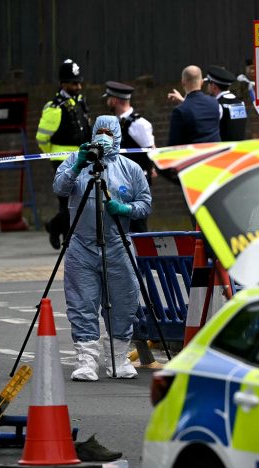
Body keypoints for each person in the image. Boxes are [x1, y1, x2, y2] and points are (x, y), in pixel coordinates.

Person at [53, 115, 151, 383]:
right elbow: (60, 188)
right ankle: (86, 359)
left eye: (109, 132)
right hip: (81, 246)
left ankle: (118, 358)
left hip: (118, 244)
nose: (104, 137)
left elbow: (145, 202)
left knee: (123, 301)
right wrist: (78, 167)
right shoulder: (76, 160)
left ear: (117, 135)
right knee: (82, 302)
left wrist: (125, 209)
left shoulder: (129, 168)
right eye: (100, 131)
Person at [103, 81, 162, 369]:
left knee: (137, 242)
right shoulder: (113, 126)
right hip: (117, 199)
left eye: (109, 98)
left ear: (116, 100)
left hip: (133, 198)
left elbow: (151, 153)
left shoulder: (138, 124)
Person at [37, 58, 91, 250]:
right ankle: (69, 240)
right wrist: (51, 155)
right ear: (63, 83)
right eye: (74, 83)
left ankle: (55, 226)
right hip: (61, 159)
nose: (78, 86)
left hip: (82, 158)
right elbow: (42, 138)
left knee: (79, 200)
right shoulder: (54, 107)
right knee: (68, 200)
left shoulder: (80, 102)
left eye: (79, 82)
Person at [166, 65, 221, 146]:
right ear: (202, 82)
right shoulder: (214, 103)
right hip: (214, 155)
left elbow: (173, 145)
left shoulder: (179, 111)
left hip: (194, 157)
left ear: (182, 82)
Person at [204, 65, 248, 141]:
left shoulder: (218, 105)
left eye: (208, 82)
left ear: (214, 86)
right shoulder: (240, 103)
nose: (207, 86)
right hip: (239, 150)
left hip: (224, 151)